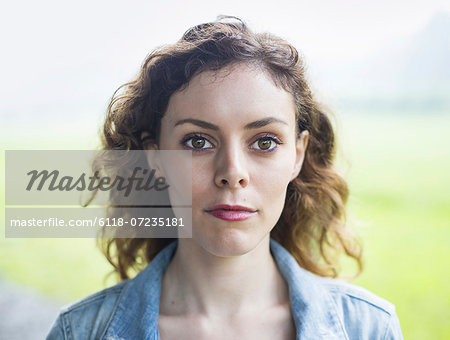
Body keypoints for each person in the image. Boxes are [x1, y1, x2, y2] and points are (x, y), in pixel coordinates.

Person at [47, 15, 404, 339]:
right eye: (198, 141)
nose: (232, 173)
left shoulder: (370, 328)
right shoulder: (77, 332)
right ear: (154, 157)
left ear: (297, 155)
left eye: (264, 142)